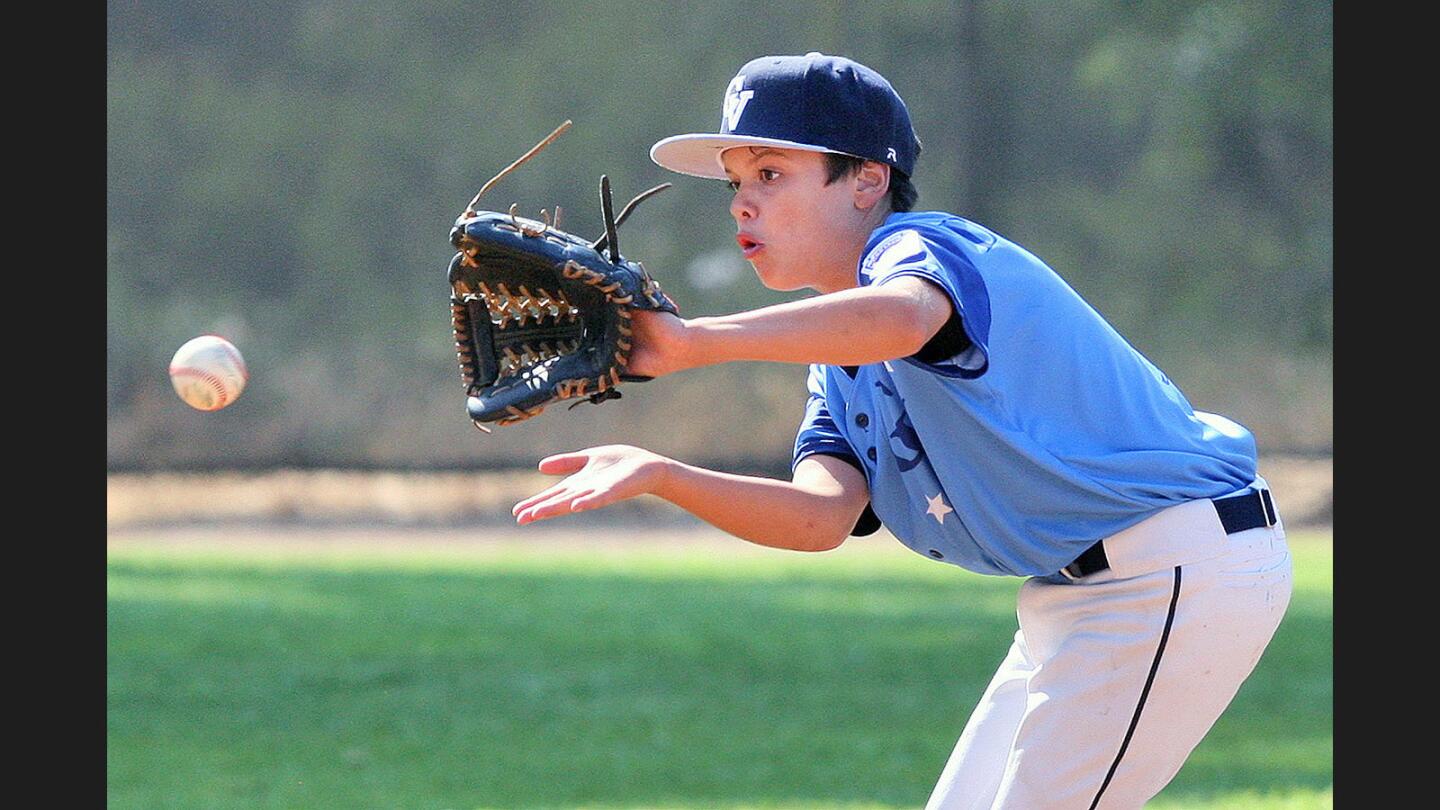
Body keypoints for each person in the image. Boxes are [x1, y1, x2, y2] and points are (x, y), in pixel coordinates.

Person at [511, 52, 1293, 809]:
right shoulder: (836, 363)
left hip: (1173, 568)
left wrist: (698, 341)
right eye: (737, 181)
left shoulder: (924, 250)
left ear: (868, 180)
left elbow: (907, 318)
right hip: (1080, 594)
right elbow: (822, 516)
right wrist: (662, 475)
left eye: (772, 173)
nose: (742, 203)